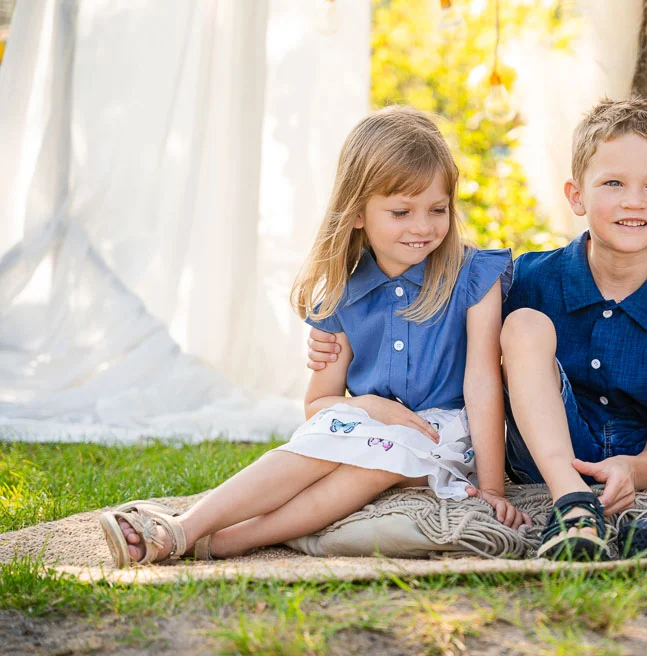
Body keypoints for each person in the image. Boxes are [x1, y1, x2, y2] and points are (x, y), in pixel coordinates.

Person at [308, 98, 647, 561]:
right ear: (576, 196)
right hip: (549, 450)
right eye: (613, 184)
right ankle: (573, 506)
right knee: (524, 324)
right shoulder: (529, 278)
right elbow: (447, 322)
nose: (634, 201)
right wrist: (341, 337)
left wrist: (632, 471)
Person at [98, 106, 528, 568]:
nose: (423, 227)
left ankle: (229, 541)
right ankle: (183, 528)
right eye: (401, 211)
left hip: (445, 437)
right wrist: (369, 407)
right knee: (316, 447)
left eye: (437, 210)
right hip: (371, 427)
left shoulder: (472, 277)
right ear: (358, 213)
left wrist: (491, 488)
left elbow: (483, 382)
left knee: (373, 462)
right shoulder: (343, 293)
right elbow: (317, 406)